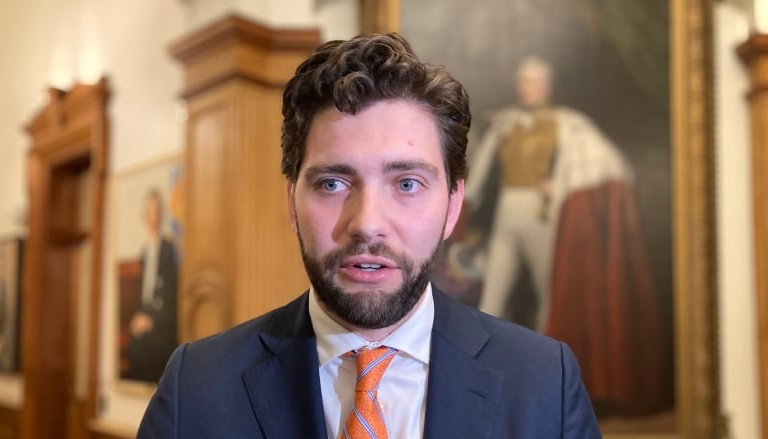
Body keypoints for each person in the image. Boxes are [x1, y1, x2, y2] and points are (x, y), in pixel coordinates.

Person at [138, 33, 600, 438]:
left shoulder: (544, 384)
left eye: (406, 184)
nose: (367, 223)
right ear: (291, 202)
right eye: (332, 183)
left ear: (453, 205)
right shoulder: (196, 388)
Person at [466, 56, 668, 416]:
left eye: (535, 81)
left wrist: (558, 184)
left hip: (546, 219)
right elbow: (479, 177)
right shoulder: (505, 125)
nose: (528, 87)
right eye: (524, 80)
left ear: (547, 85)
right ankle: (475, 387)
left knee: (553, 301)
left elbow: (601, 164)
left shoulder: (569, 125)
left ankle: (551, 390)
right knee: (492, 301)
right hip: (507, 218)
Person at [125, 189, 179, 382]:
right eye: (149, 211)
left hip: (162, 321)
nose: (152, 216)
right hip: (146, 315)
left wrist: (152, 320)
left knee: (149, 347)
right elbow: (142, 295)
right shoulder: (145, 251)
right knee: (135, 344)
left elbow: (171, 296)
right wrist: (139, 317)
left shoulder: (168, 248)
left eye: (156, 211)